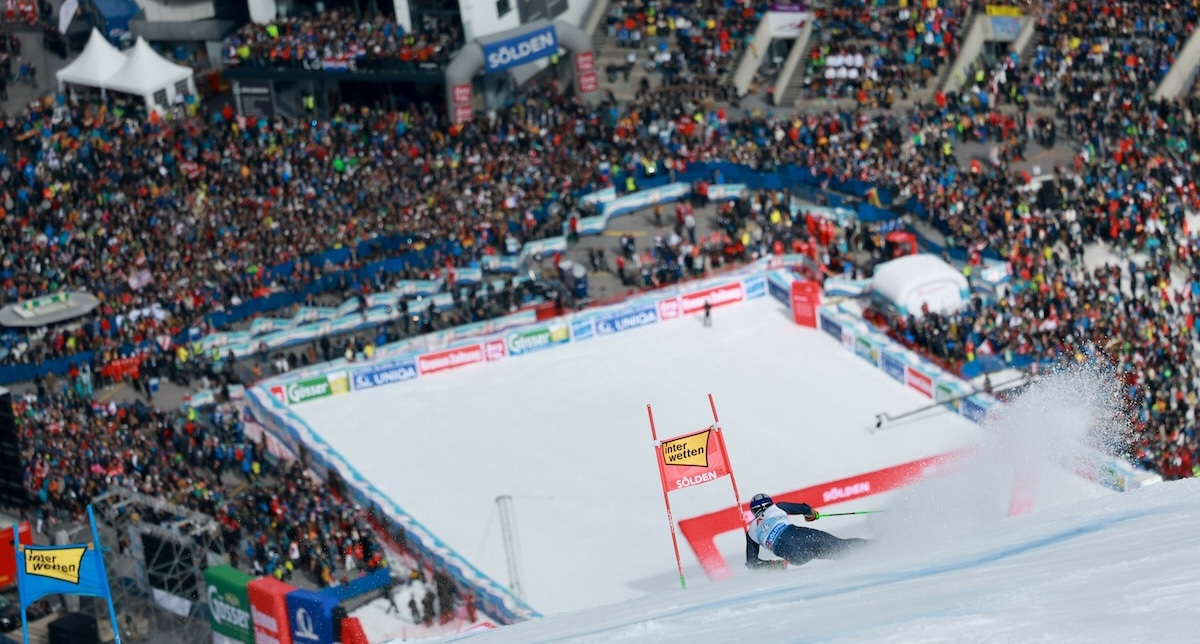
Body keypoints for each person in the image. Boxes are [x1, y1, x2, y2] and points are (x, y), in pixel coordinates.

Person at [745, 493, 869, 570]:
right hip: (801, 537)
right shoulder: (777, 507)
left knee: (828, 552)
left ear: (753, 512)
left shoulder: (751, 532)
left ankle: (862, 556)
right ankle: (876, 547)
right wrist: (811, 515)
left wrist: (774, 565)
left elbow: (752, 563)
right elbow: (805, 509)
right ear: (769, 503)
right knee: (841, 548)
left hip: (795, 557)